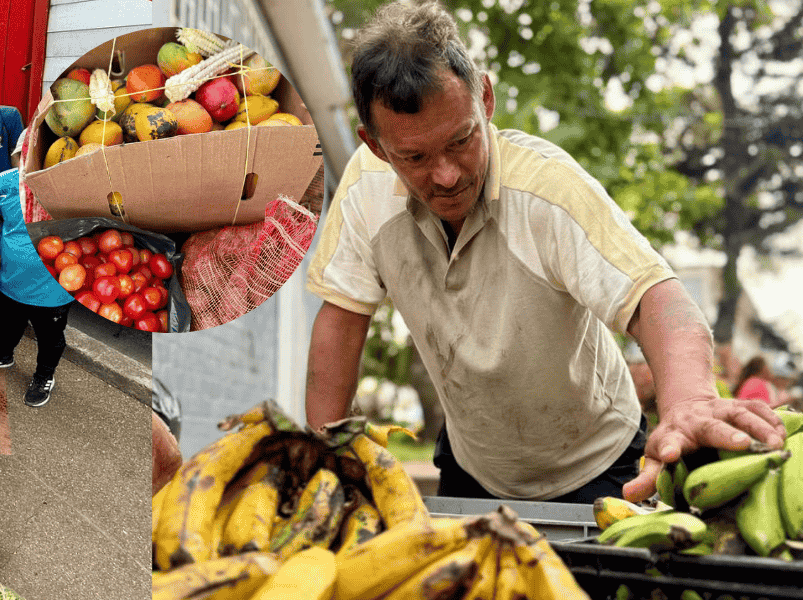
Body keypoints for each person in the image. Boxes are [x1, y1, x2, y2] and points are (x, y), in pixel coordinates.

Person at [305, 0, 784, 504]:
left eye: (462, 140)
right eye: (414, 157)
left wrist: (689, 400)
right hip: (473, 464)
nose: (446, 175)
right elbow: (341, 320)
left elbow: (656, 298)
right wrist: (326, 457)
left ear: (484, 99)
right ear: (375, 145)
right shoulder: (364, 190)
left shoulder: (548, 190)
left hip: (598, 463)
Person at [0, 165, 74, 408]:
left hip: (52, 291)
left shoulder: (69, 185)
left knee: (50, 338)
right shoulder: (2, 182)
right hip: (10, 281)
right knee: (9, 323)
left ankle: (44, 376)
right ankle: (3, 355)